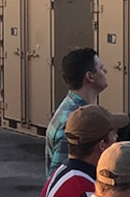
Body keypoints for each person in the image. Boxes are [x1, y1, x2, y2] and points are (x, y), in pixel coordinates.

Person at [39, 104, 127, 197]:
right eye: (113, 134)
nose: (116, 138)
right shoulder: (83, 189)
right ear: (102, 144)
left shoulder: (63, 173)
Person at [45, 48, 109, 177]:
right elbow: (59, 176)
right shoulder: (72, 123)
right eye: (101, 68)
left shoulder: (76, 110)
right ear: (90, 76)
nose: (106, 71)